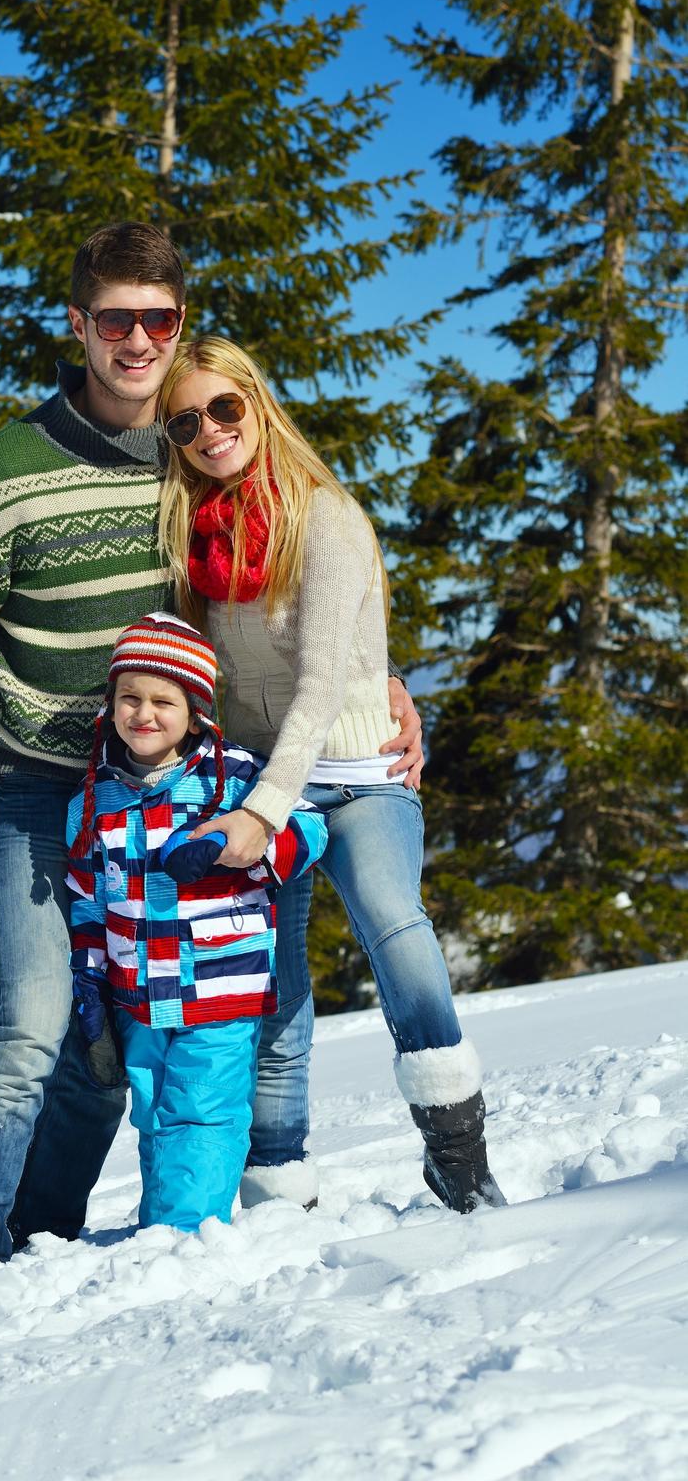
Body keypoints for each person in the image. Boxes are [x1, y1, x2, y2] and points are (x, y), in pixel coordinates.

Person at [0, 229, 425, 1286]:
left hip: (171, 789)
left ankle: (39, 1238)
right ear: (77, 324)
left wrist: (383, 684)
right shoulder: (4, 471)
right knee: (30, 1028)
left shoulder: (194, 455)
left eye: (158, 320)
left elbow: (284, 593)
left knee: (117, 1034)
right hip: (43, 787)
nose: (137, 341)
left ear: (179, 324)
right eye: (114, 319)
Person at [156, 335, 505, 1215]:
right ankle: (277, 1175)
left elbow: (316, 685)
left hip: (355, 772)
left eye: (224, 408)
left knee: (396, 926)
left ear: (257, 403)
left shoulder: (327, 516)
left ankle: (460, 1158)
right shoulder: (191, 535)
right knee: (275, 974)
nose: (210, 431)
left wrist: (266, 813)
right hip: (260, 781)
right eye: (187, 419)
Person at [66, 614, 326, 1231]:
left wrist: (248, 842)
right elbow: (87, 897)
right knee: (154, 1115)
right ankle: (163, 1226)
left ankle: (186, 1235)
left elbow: (311, 826)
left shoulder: (233, 778)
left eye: (164, 701)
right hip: (138, 995)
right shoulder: (94, 798)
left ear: (196, 711)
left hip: (219, 990)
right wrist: (91, 980)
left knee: (202, 1114)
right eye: (130, 697)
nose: (144, 714)